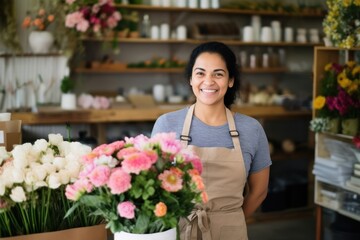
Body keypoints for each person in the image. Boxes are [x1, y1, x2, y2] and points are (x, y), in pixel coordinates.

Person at [151, 41, 271, 240]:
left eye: (218, 73)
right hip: (179, 230)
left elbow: (259, 191)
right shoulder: (166, 125)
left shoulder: (251, 129)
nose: (208, 81)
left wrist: (231, 220)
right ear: (190, 79)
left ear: (231, 80)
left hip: (231, 231)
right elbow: (153, 187)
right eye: (200, 73)